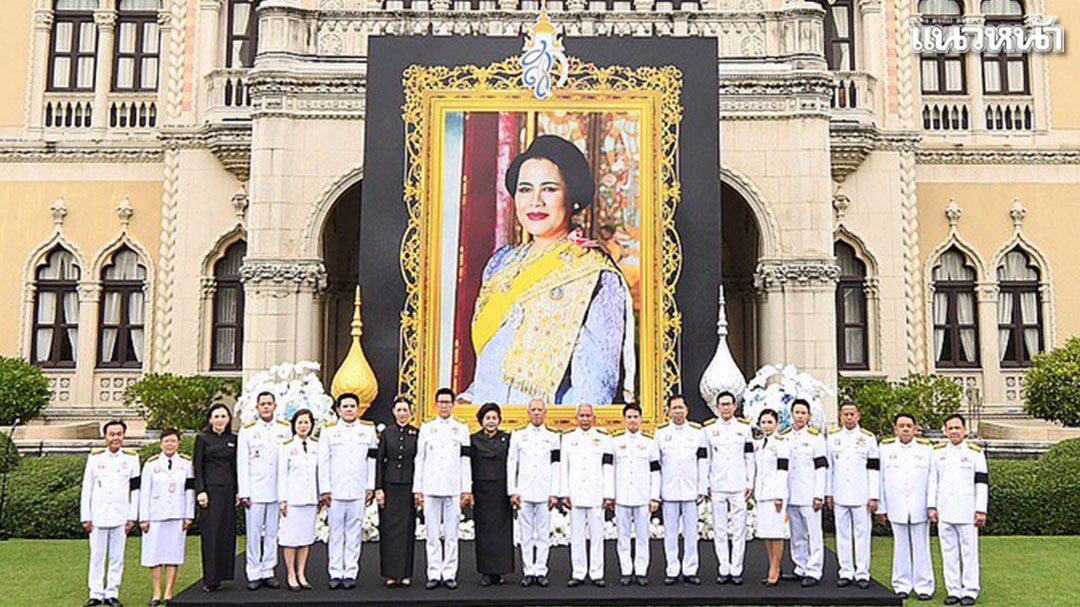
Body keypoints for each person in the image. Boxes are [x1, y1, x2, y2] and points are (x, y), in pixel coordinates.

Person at [463, 134, 635, 406]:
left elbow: (594, 388)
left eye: (550, 189)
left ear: (572, 196)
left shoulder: (595, 274)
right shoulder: (501, 264)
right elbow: (492, 362)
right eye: (525, 189)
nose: (535, 201)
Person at [413, 387, 473, 590]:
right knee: (431, 533)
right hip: (430, 487)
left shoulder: (461, 429)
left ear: (454, 405)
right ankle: (433, 572)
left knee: (451, 533)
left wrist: (466, 488)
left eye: (448, 402)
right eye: (441, 402)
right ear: (436, 404)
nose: (445, 405)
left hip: (453, 487)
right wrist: (417, 489)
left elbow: (465, 460)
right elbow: (419, 459)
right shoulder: (427, 428)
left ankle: (449, 573)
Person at [318, 393, 378, 590]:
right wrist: (325, 489)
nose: (349, 409)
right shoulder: (329, 432)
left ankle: (350, 572)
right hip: (335, 490)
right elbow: (323, 462)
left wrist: (370, 486)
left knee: (354, 532)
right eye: (345, 406)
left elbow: (372, 461)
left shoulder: (368, 431)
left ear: (358, 409)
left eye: (353, 406)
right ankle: (335, 572)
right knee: (336, 532)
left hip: (358, 489)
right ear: (338, 409)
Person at [929, 414, 988, 607]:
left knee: (969, 552)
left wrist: (981, 509)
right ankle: (953, 590)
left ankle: (970, 590)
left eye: (957, 428)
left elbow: (981, 483)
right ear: (945, 431)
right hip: (945, 510)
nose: (953, 431)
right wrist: (932, 506)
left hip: (967, 511)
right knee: (948, 552)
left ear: (964, 430)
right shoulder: (937, 452)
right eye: (950, 428)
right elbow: (933, 482)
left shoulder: (974, 452)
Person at [80, 420, 140, 607]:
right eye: (112, 434)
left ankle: (112, 592)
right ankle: (96, 593)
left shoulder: (131, 458)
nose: (116, 438)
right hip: (98, 515)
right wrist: (86, 516)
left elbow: (135, 490)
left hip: (120, 515)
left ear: (124, 436)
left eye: (119, 434)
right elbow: (87, 489)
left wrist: (132, 517)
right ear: (105, 437)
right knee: (97, 556)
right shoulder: (95, 458)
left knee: (117, 556)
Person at [877, 413, 936, 601]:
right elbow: (881, 480)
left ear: (915, 428)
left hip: (919, 505)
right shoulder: (885, 449)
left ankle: (923, 586)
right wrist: (881, 507)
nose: (904, 429)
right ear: (895, 429)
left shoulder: (926, 449)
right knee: (900, 546)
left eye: (908, 426)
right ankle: (901, 584)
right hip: (896, 505)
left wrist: (931, 505)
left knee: (921, 546)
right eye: (901, 426)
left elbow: (932, 480)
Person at [236, 391, 291, 590]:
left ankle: (268, 570)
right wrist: (245, 492)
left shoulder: (284, 429)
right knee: (254, 532)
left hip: (277, 490)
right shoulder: (248, 431)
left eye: (269, 403)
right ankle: (253, 571)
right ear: (257, 407)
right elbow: (242, 463)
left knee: (272, 532)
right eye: (262, 404)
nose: (266, 407)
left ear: (275, 406)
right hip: (256, 490)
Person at [506, 398, 561, 587]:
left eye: (540, 410)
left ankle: (541, 570)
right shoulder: (518, 435)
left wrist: (555, 493)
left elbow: (556, 466)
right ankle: (528, 571)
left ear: (545, 413)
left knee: (543, 534)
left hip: (545, 491)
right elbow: (512, 464)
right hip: (524, 491)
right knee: (526, 534)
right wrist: (512, 491)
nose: (537, 413)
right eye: (533, 409)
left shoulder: (553, 437)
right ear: (528, 413)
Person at [702, 391, 755, 585]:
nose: (726, 408)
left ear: (735, 407)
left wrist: (750, 482)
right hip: (717, 484)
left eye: (729, 404)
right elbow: (705, 458)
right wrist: (705, 484)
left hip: (739, 484)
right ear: (717, 407)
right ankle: (723, 567)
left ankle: (737, 568)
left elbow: (749, 457)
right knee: (720, 528)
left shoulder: (744, 428)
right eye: (722, 404)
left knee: (739, 529)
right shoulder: (708, 429)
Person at [826, 401, 880, 589]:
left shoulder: (868, 438)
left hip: (861, 494)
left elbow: (874, 469)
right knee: (842, 534)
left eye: (852, 414)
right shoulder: (833, 438)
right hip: (840, 493)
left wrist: (874, 495)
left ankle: (863, 572)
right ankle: (846, 571)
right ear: (841, 415)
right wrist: (829, 493)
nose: (848, 417)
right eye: (845, 414)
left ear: (859, 416)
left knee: (862, 534)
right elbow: (829, 468)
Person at [654, 394, 707, 586]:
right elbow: (656, 465)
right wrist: (656, 492)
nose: (677, 411)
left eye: (680, 408)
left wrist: (702, 488)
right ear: (669, 411)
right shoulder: (660, 433)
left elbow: (703, 461)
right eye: (674, 408)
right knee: (670, 532)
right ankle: (672, 568)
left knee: (691, 532)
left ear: (687, 410)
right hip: (669, 489)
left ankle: (690, 569)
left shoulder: (697, 432)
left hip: (691, 488)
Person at [560, 403, 614, 587]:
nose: (584, 419)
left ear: (594, 418)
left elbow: (608, 468)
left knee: (597, 534)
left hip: (596, 493)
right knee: (576, 535)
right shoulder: (567, 439)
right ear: (577, 418)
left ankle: (597, 572)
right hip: (575, 493)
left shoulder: (603, 439)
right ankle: (578, 572)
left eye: (588, 416)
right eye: (581, 416)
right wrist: (564, 493)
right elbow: (563, 468)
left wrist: (608, 494)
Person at [139, 428, 195, 606]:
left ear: (178, 443)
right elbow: (144, 492)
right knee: (154, 555)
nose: (170, 444)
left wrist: (189, 515)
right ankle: (156, 593)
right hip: (155, 514)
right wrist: (143, 518)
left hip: (177, 513)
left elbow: (190, 490)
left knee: (173, 554)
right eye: (166, 441)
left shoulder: (186, 463)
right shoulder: (151, 464)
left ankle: (169, 592)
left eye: (173, 441)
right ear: (161, 443)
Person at [611, 403, 660, 586]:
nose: (632, 420)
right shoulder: (615, 442)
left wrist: (654, 496)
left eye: (635, 417)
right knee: (623, 536)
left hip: (643, 497)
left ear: (641, 419)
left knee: (642, 536)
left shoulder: (649, 443)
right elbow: (610, 470)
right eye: (629, 417)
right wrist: (610, 495)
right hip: (622, 496)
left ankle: (640, 571)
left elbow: (655, 471)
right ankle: (625, 570)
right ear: (624, 420)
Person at [375, 397, 420, 588]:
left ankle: (405, 573)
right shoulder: (387, 433)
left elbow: (421, 461)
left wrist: (420, 489)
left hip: (409, 486)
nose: (402, 413)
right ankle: (391, 574)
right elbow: (379, 461)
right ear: (394, 412)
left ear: (411, 412)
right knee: (389, 530)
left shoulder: (417, 433)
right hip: (390, 486)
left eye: (405, 410)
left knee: (407, 531)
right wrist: (379, 488)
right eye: (399, 410)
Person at [783, 398, 827, 587]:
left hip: (809, 494)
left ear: (808, 416)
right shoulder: (784, 436)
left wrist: (819, 494)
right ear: (791, 414)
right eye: (796, 412)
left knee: (813, 533)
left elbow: (821, 468)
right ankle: (800, 567)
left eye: (803, 413)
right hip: (791, 494)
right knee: (796, 533)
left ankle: (814, 570)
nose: (799, 416)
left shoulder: (815, 437)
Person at [193, 403, 238, 592]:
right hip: (210, 492)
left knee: (226, 533)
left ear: (228, 420)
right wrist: (200, 491)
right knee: (211, 534)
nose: (220, 420)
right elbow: (198, 467)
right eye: (216, 416)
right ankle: (210, 579)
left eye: (223, 416)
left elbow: (236, 467)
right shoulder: (203, 439)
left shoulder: (233, 439)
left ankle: (222, 575)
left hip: (228, 491)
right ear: (210, 420)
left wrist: (238, 491)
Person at [470, 402, 515, 586]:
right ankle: (486, 573)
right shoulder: (473, 440)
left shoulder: (507, 438)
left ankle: (500, 571)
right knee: (484, 532)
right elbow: (469, 467)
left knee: (502, 532)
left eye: (494, 418)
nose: (491, 421)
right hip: (482, 492)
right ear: (481, 420)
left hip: (502, 492)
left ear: (499, 420)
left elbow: (513, 464)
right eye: (487, 418)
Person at [278, 409, 319, 592]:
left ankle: (302, 572)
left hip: (310, 498)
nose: (303, 426)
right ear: (294, 425)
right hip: (292, 499)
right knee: (291, 538)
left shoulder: (316, 445)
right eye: (300, 422)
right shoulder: (286, 446)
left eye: (306, 422)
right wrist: (283, 500)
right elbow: (281, 475)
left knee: (305, 538)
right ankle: (291, 574)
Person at [753, 409, 789, 587]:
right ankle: (772, 564)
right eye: (763, 422)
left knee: (776, 533)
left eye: (769, 422)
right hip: (761, 493)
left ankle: (774, 569)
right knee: (766, 533)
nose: (766, 425)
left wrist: (779, 495)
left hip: (776, 493)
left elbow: (783, 470)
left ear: (777, 424)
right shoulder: (759, 443)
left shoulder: (781, 443)